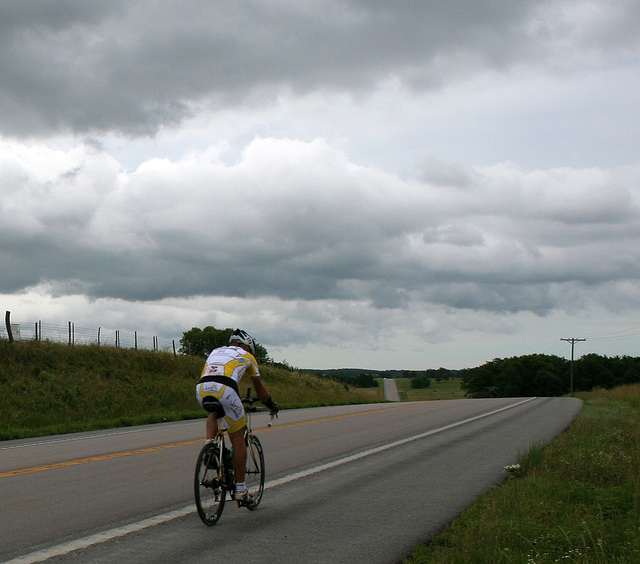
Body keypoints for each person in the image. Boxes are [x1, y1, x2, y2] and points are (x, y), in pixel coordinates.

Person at [195, 328, 279, 505]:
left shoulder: (216, 351)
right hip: (226, 389)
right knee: (238, 438)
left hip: (202, 388)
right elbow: (260, 390)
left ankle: (209, 446)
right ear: (247, 346)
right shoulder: (248, 357)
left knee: (214, 411)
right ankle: (240, 490)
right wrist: (271, 404)